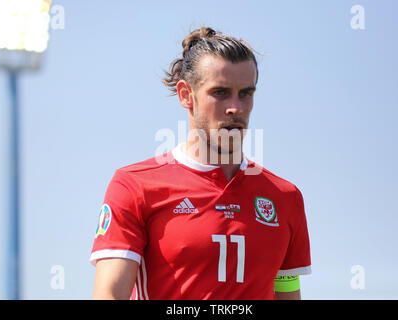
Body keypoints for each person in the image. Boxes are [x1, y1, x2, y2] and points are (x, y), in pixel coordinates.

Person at [90, 27, 311, 300]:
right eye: (220, 92)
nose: (235, 107)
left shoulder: (285, 197)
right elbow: (109, 295)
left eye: (245, 93)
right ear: (186, 95)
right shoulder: (134, 185)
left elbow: (287, 291)